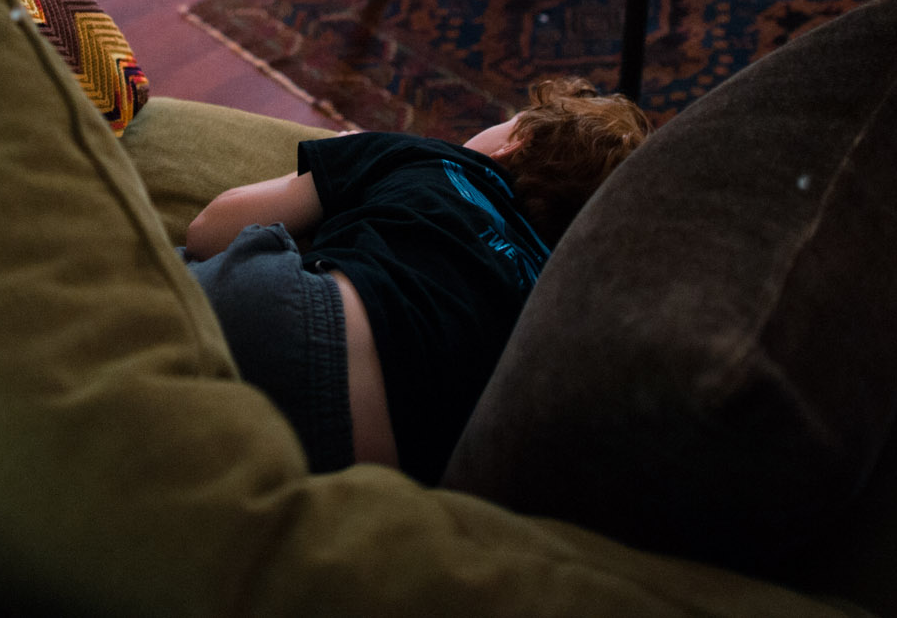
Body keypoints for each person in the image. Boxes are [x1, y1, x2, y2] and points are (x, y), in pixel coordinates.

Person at [181, 77, 650, 484]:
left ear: (516, 142)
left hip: (284, 317)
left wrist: (350, 155)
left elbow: (210, 230)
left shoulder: (429, 156)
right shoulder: (550, 296)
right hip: (378, 464)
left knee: (172, 264)